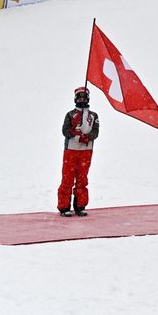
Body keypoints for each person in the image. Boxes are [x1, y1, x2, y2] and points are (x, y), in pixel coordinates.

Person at [58, 86, 100, 217]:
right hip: (71, 150)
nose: (82, 99)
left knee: (82, 179)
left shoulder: (93, 115)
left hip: (86, 151)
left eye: (84, 97)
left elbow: (95, 131)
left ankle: (80, 206)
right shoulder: (70, 114)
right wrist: (75, 134)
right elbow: (65, 130)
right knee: (67, 178)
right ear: (75, 99)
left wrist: (87, 137)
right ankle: (64, 207)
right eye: (79, 97)